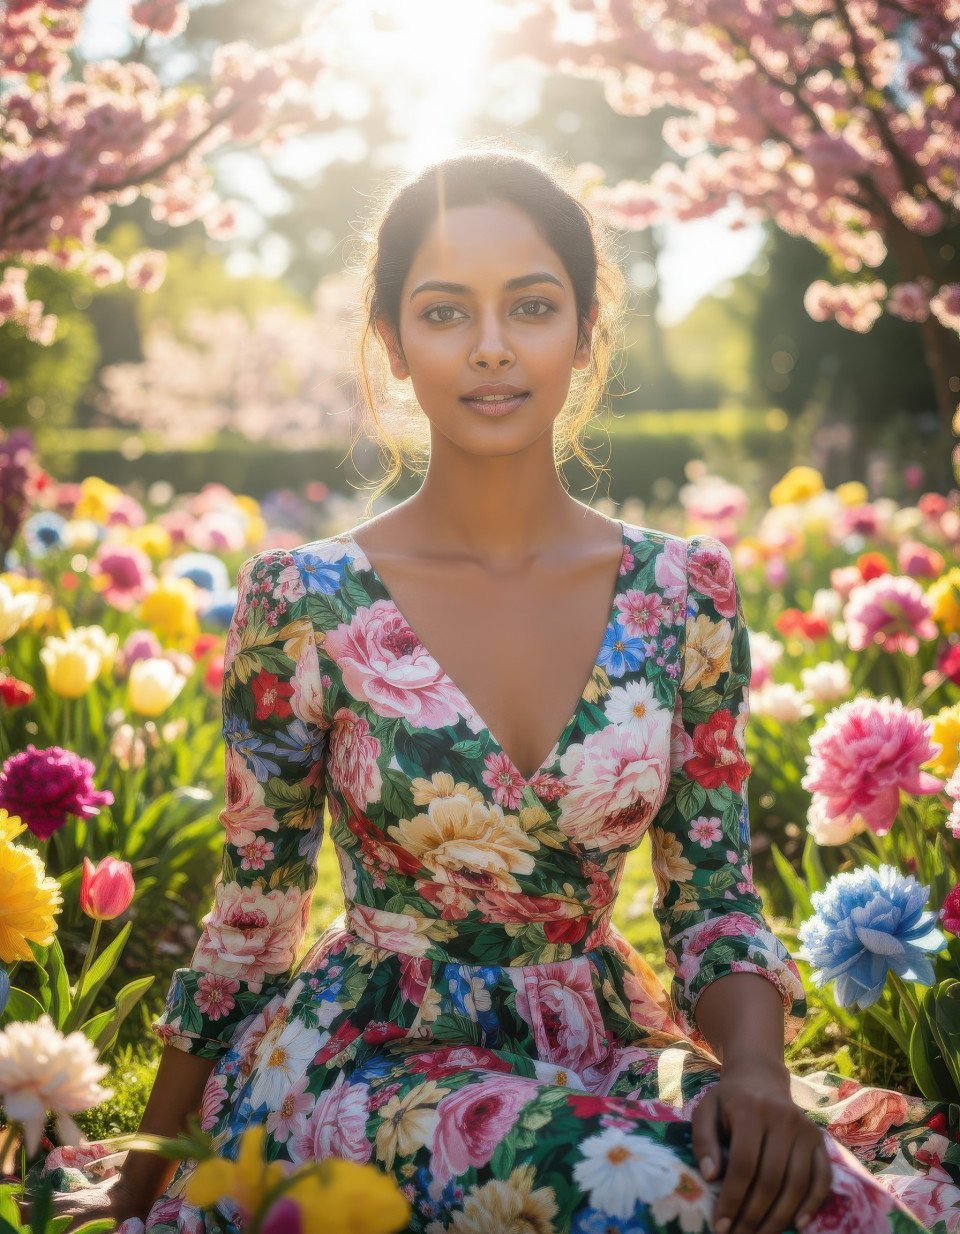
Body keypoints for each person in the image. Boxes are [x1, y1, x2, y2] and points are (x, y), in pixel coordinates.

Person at [28, 144, 959, 1234]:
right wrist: (143, 1184)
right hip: (370, 1066)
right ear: (392, 342)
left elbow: (710, 895)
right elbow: (254, 915)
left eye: (530, 305)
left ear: (585, 330)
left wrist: (754, 1074)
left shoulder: (683, 592)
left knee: (818, 1193)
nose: (490, 347)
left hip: (601, 1044)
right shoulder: (305, 599)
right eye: (443, 312)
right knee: (683, 1194)